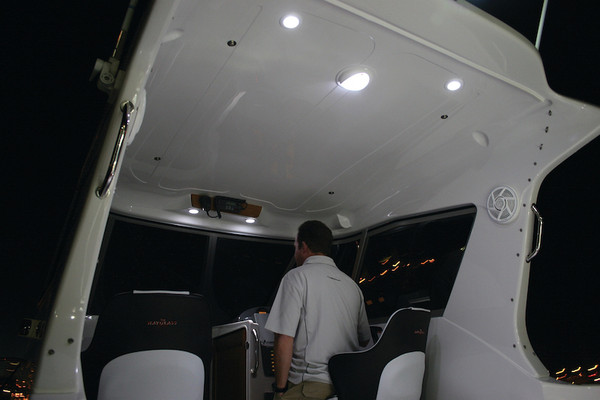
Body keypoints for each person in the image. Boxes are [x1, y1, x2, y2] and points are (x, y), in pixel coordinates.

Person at [265, 220, 371, 400]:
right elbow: (364, 339)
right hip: (346, 386)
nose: (295, 252)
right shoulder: (352, 286)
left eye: (296, 247)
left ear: (304, 246)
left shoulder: (296, 277)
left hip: (310, 385)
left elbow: (284, 338)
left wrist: (280, 389)